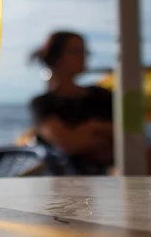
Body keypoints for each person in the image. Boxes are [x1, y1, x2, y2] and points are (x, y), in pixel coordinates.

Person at [28, 31, 115, 174]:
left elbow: (125, 136)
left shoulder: (101, 94)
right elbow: (67, 144)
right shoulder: (43, 103)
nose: (84, 57)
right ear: (57, 57)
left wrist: (83, 132)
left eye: (85, 52)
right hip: (67, 185)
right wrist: (95, 127)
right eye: (76, 51)